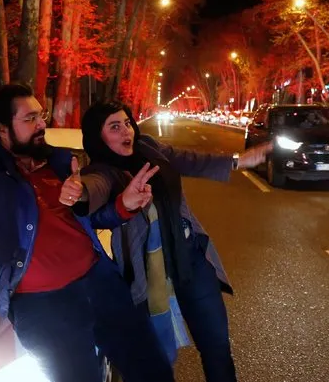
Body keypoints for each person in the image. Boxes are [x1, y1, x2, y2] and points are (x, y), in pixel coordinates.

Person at [0, 3, 174, 382]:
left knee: (152, 371)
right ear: (0, 130)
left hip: (99, 282)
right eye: (29, 119)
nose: (41, 124)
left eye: (41, 115)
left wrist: (123, 206)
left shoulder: (61, 162)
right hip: (42, 305)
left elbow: (95, 217)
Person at [76, 100, 272, 382]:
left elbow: (188, 159)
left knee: (216, 345)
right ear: (98, 136)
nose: (126, 132)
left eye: (127, 123)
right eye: (114, 127)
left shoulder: (149, 148)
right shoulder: (102, 172)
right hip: (149, 272)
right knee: (156, 358)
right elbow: (95, 205)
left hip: (189, 254)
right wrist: (85, 195)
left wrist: (238, 161)